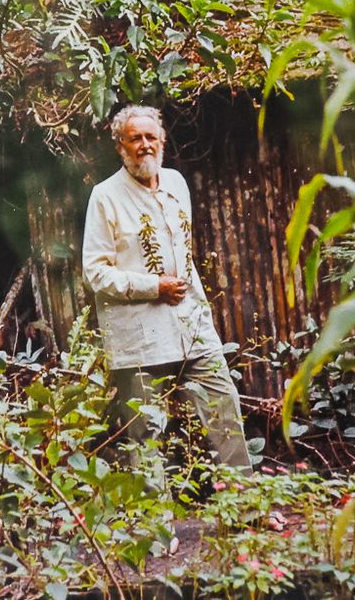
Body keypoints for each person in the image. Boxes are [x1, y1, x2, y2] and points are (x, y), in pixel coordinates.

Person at [81, 103, 252, 468]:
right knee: (145, 431)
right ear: (120, 147)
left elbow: (183, 255)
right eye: (134, 138)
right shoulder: (105, 196)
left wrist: (190, 304)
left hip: (191, 325)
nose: (144, 144)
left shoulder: (176, 183)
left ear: (162, 140)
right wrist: (152, 286)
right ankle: (155, 523)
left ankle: (245, 506)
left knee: (224, 408)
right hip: (139, 335)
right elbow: (94, 272)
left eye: (150, 137)